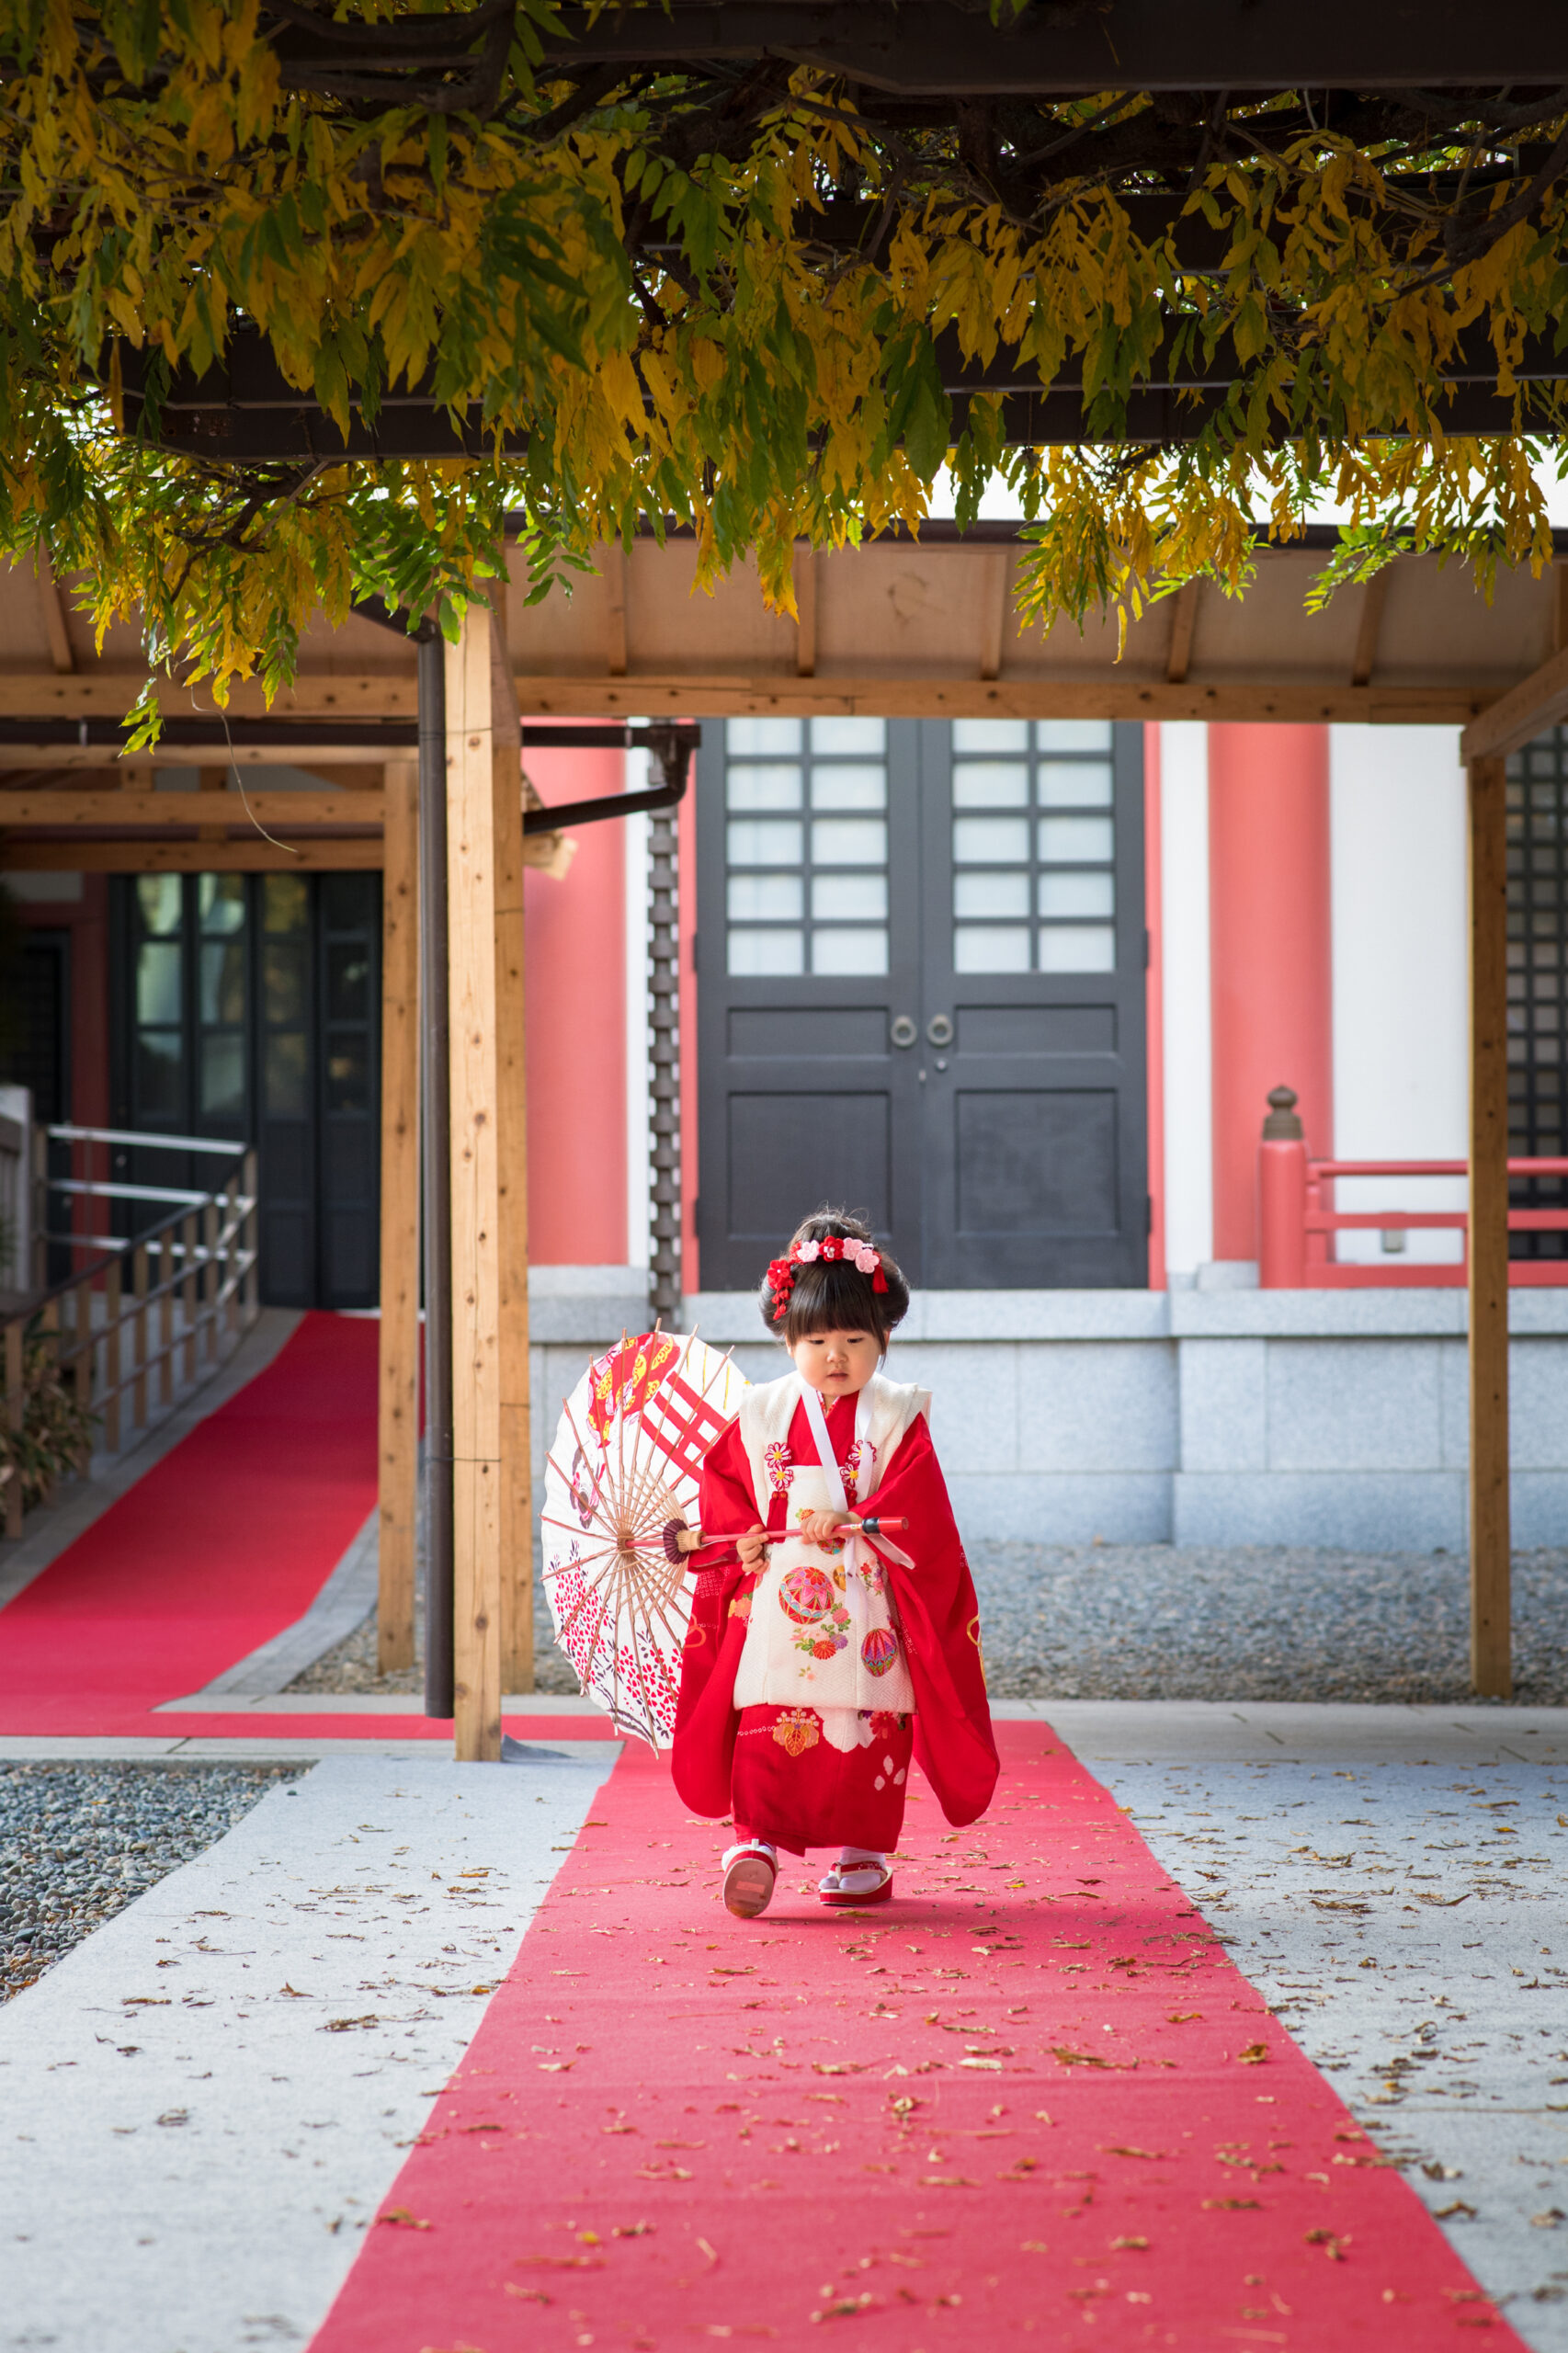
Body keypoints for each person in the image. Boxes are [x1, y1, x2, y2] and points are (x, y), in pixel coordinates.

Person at [671, 1209, 997, 1919]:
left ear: (884, 1337)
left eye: (855, 1339)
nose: (836, 1356)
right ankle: (755, 1846)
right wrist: (743, 1538)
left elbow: (924, 1511)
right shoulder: (758, 1414)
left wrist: (857, 1517)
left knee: (864, 1729)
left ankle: (864, 1857)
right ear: (787, 1338)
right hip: (781, 1607)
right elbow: (724, 1495)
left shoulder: (897, 1415)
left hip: (870, 1605)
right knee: (768, 1719)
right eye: (816, 1339)